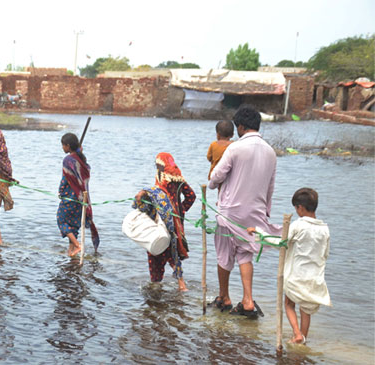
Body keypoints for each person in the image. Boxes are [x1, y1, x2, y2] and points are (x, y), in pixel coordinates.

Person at [208, 105, 280, 318]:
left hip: (230, 211)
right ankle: (248, 300)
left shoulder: (235, 148)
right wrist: (265, 210)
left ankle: (224, 297)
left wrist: (212, 184)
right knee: (245, 254)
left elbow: (218, 175)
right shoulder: (270, 151)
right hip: (255, 212)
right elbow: (271, 186)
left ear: (240, 126)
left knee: (223, 254)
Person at [247, 188, 330, 344]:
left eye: (296, 208)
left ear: (300, 208)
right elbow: (325, 254)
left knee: (289, 304)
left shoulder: (298, 225)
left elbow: (280, 242)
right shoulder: (324, 229)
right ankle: (303, 339)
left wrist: (259, 232)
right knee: (306, 309)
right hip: (314, 276)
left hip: (296, 275)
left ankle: (297, 333)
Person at [136, 153, 195, 291]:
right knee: (170, 251)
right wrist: (180, 212)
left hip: (163, 221)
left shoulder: (165, 179)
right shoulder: (178, 178)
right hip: (173, 221)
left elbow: (157, 193)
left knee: (159, 248)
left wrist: (179, 211)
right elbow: (191, 196)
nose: (157, 166)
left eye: (158, 164)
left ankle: (166, 284)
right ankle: (173, 284)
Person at [56, 133, 99, 257]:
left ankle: (78, 245)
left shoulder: (68, 160)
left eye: (63, 145)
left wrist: (61, 192)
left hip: (70, 197)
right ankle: (71, 253)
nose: (62, 148)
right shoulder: (81, 160)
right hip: (81, 198)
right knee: (73, 225)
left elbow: (66, 178)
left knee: (62, 220)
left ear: (68, 146)